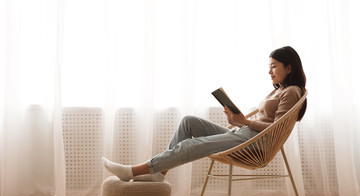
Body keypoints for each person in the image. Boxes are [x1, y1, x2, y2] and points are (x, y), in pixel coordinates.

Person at [102, 46, 307, 182]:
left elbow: (276, 128)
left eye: (273, 67)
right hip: (246, 135)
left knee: (190, 145)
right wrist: (238, 121)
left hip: (256, 144)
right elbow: (264, 122)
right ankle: (159, 174)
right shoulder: (279, 89)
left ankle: (132, 171)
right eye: (268, 67)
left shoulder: (291, 91)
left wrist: (244, 121)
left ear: (289, 67)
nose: (269, 72)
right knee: (189, 122)